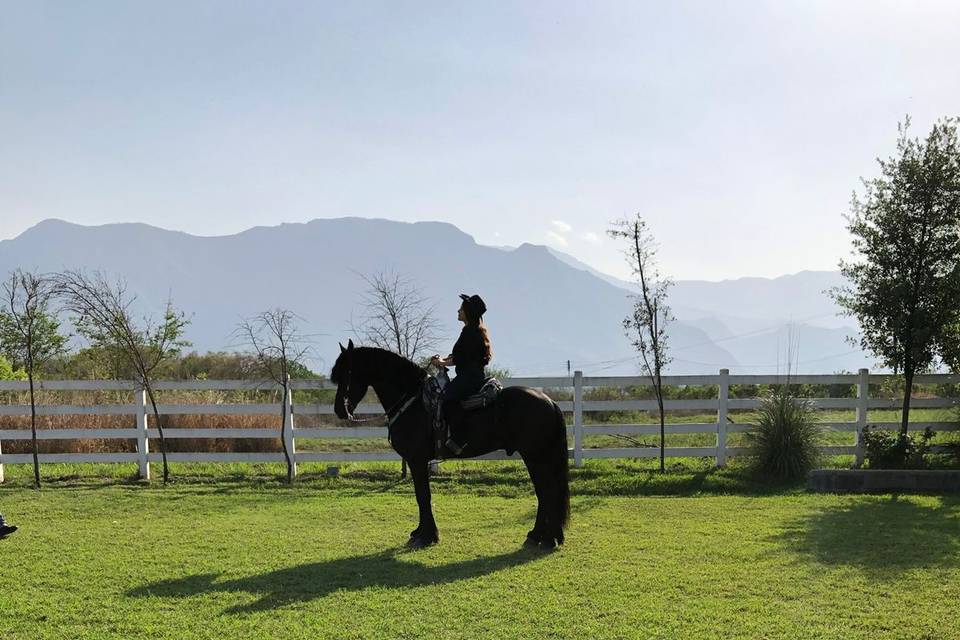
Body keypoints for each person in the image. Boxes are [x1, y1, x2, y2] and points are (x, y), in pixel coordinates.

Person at [431, 293, 492, 454]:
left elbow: (460, 358)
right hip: (471, 375)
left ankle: (459, 437)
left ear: (468, 313)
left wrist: (442, 363)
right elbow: (463, 356)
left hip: (469, 377)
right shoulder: (473, 331)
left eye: (461, 309)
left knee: (446, 399)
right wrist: (444, 359)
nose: (458, 311)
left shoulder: (469, 332)